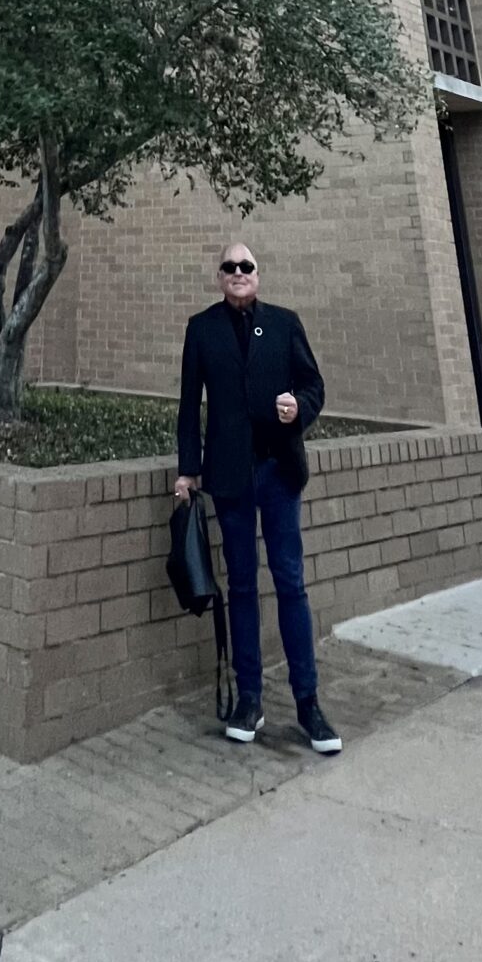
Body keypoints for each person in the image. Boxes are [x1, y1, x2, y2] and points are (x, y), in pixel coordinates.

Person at [175, 239, 342, 752]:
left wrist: (299, 409)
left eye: (246, 265)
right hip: (230, 477)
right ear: (219, 277)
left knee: (291, 582)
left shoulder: (284, 324)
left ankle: (308, 702)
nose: (238, 271)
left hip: (278, 471)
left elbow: (314, 385)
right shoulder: (202, 329)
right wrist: (188, 470)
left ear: (257, 274)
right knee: (242, 586)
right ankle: (250, 698)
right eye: (229, 266)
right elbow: (188, 406)